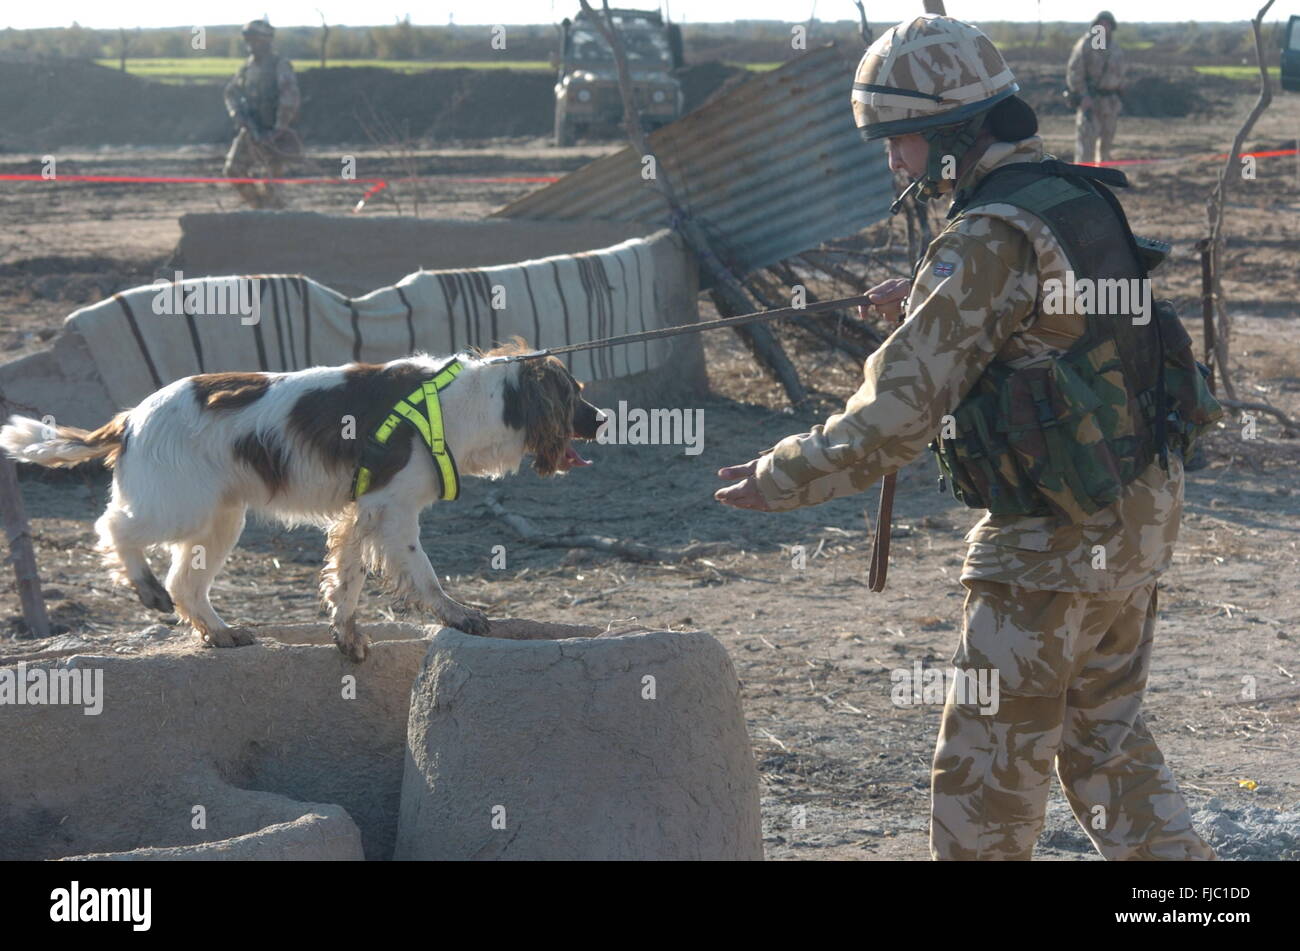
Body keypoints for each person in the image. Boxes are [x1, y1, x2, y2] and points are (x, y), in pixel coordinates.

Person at [715, 14, 1220, 861]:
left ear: (951, 135)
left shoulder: (985, 238)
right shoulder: (1069, 195)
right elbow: (1053, 324)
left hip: (1050, 549)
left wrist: (781, 474)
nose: (893, 162)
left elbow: (894, 419)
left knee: (984, 785)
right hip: (1134, 526)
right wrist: (927, 291)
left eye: (901, 141)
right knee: (1106, 751)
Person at [222, 19, 302, 209]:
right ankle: (259, 208)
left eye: (256, 39)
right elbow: (231, 92)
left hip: (273, 132)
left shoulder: (279, 65)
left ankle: (277, 216)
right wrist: (237, 114)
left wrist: (279, 128)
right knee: (233, 169)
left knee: (272, 182)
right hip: (251, 129)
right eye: (248, 39)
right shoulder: (246, 68)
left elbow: (289, 98)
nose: (251, 44)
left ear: (267, 40)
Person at [1067, 11, 1127, 164]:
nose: (1104, 27)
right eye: (1101, 23)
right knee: (1086, 145)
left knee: (1107, 144)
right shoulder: (1086, 45)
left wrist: (1120, 91)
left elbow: (1119, 72)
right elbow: (1075, 72)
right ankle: (1084, 180)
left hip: (1110, 102)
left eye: (1107, 24)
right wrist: (1082, 95)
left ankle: (1103, 177)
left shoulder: (1114, 47)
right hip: (1091, 100)